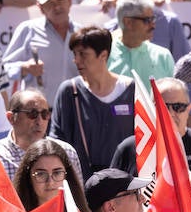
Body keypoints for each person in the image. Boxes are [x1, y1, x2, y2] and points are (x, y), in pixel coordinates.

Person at [50, 26, 137, 178]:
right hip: (82, 187)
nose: (76, 60)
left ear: (103, 55)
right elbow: (56, 142)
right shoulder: (69, 91)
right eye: (75, 54)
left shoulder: (131, 90)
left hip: (126, 188)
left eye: (83, 54)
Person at [109, 76, 191, 175]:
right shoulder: (130, 149)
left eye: (178, 106)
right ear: (150, 108)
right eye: (162, 107)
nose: (169, 113)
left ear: (188, 109)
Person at [0, 87, 83, 181]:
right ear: (11, 118)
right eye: (33, 114)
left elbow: (77, 194)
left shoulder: (67, 152)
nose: (39, 121)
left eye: (45, 114)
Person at [109, 0, 176, 85]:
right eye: (147, 20)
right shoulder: (105, 56)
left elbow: (173, 96)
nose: (153, 25)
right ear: (128, 22)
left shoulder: (163, 56)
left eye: (153, 19)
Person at [14, 138, 90, 212]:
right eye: (41, 174)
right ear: (28, 177)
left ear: (66, 176)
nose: (50, 182)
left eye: (57, 173)